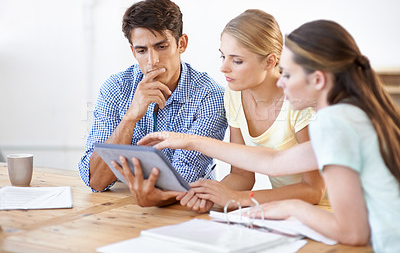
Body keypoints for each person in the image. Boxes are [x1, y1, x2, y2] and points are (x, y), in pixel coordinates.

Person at [138, 20, 400, 252]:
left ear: (318, 80)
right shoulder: (351, 115)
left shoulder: (334, 123)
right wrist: (190, 140)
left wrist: (291, 208)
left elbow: (354, 233)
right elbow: (274, 162)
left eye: (287, 74)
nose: (281, 82)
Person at [78, 0, 228, 207]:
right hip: (125, 208)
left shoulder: (209, 96)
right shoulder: (116, 88)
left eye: (161, 46)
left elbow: (183, 182)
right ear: (133, 51)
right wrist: (130, 117)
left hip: (187, 212)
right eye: (142, 50)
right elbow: (95, 180)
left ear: (181, 43)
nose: (152, 61)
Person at [170, 9, 325, 213]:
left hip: (329, 209)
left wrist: (238, 198)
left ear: (270, 61)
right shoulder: (234, 94)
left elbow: (314, 190)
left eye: (237, 60)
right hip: (288, 211)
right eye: (222, 56)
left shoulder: (299, 101)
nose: (223, 68)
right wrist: (211, 195)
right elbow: (242, 175)